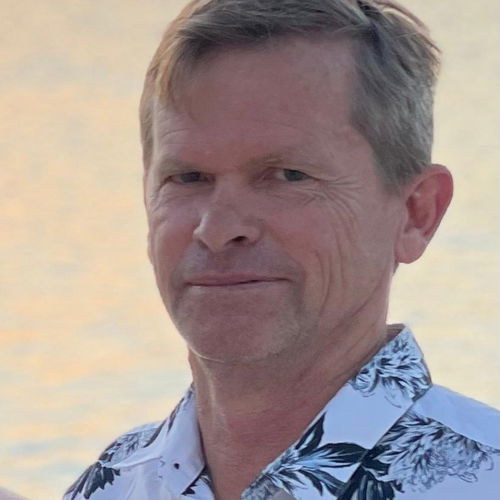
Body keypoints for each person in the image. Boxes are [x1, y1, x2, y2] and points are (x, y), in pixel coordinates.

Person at [64, 0, 500, 498]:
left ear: (416, 213)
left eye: (288, 175)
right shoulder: (113, 484)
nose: (217, 228)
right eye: (188, 177)